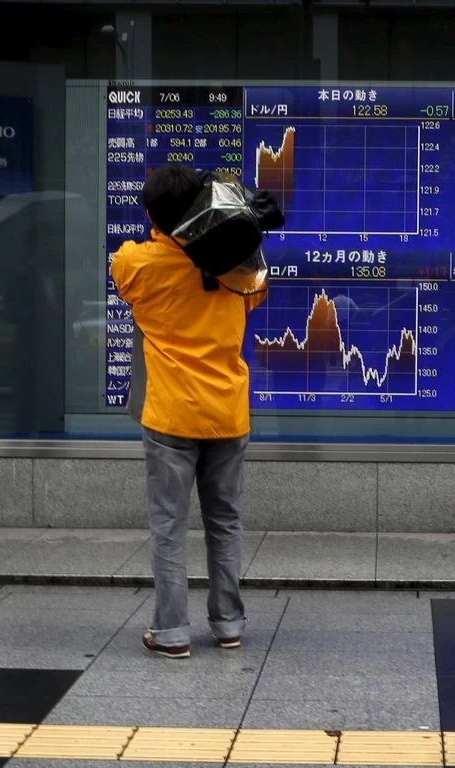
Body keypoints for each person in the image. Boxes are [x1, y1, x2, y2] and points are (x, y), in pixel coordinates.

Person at [110, 165, 266, 657]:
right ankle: (229, 625)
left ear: (152, 214)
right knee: (225, 523)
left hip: (171, 414)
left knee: (168, 527)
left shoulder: (137, 263)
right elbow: (256, 296)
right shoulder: (235, 265)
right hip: (226, 411)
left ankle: (172, 632)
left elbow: (127, 263)